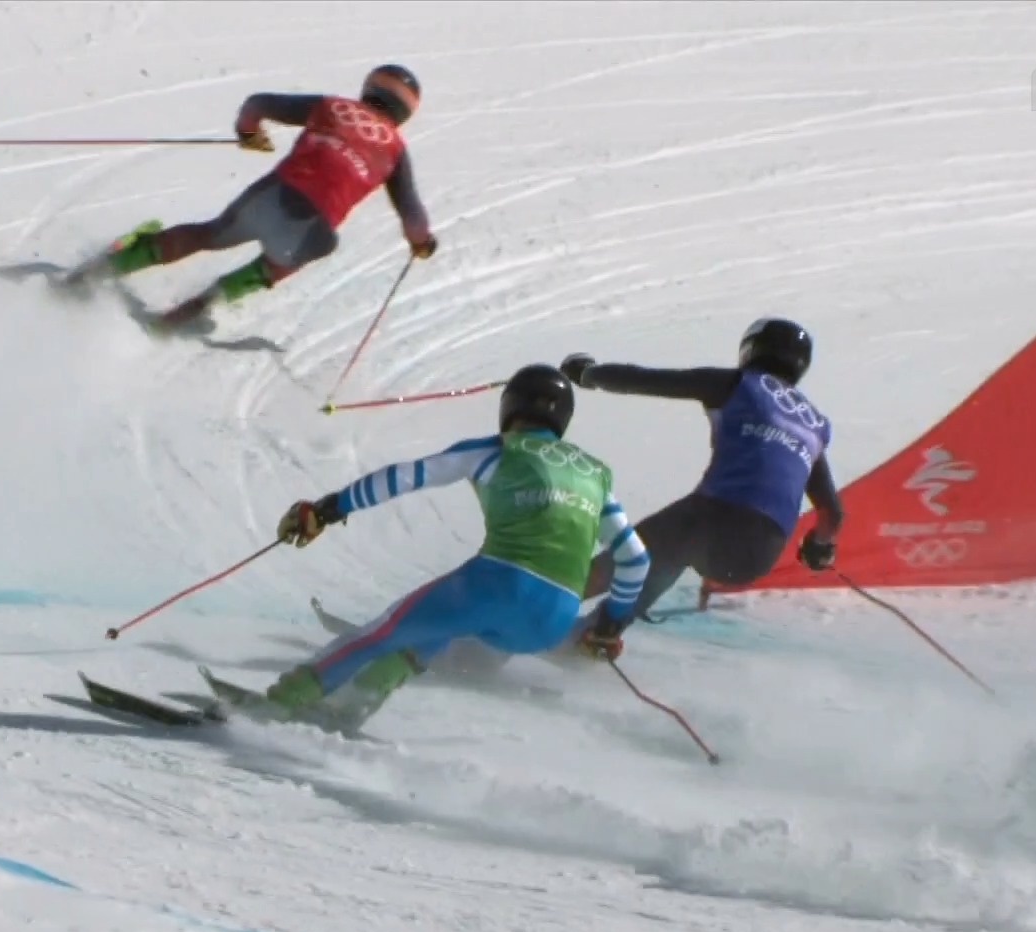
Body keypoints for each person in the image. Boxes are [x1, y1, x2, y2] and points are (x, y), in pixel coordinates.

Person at [259, 364, 652, 729]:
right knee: (439, 629)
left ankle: (277, 703)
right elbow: (635, 559)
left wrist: (330, 508)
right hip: (551, 622)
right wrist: (608, 624)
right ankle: (360, 699)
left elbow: (405, 477)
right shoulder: (595, 475)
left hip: (499, 585)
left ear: (509, 406)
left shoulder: (495, 450)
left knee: (378, 634)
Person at [73, 64, 437, 329]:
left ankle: (109, 267)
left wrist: (248, 133)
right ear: (405, 112)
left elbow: (257, 103)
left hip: (273, 196)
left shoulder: (332, 107)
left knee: (209, 235)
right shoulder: (395, 153)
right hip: (312, 231)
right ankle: (211, 299)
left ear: (369, 89)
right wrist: (421, 244)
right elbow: (414, 220)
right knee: (303, 252)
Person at [559, 317, 844, 631]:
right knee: (672, 552)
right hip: (761, 553)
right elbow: (832, 514)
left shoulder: (739, 383)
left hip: (715, 518)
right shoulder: (813, 424)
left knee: (637, 556)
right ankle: (600, 635)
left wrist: (586, 373)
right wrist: (819, 547)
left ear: (751, 349)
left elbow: (644, 379)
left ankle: (546, 604)